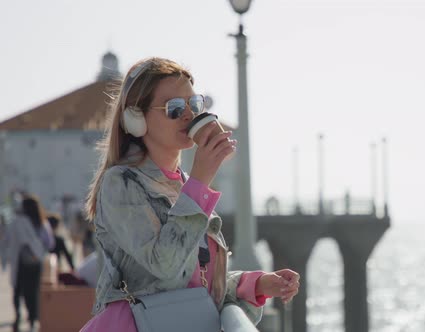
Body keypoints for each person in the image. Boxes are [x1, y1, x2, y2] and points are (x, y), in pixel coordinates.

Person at [80, 57, 300, 331]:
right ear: (135, 119)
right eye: (173, 108)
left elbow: (196, 282)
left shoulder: (186, 185)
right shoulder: (120, 183)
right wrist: (200, 181)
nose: (189, 115)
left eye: (195, 104)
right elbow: (165, 266)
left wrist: (255, 284)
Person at [3, 194, 55, 332]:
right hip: (36, 263)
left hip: (20, 263)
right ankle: (33, 319)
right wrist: (38, 251)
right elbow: (50, 243)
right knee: (33, 292)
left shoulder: (18, 222)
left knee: (17, 290)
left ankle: (18, 317)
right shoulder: (42, 223)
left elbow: (7, 240)